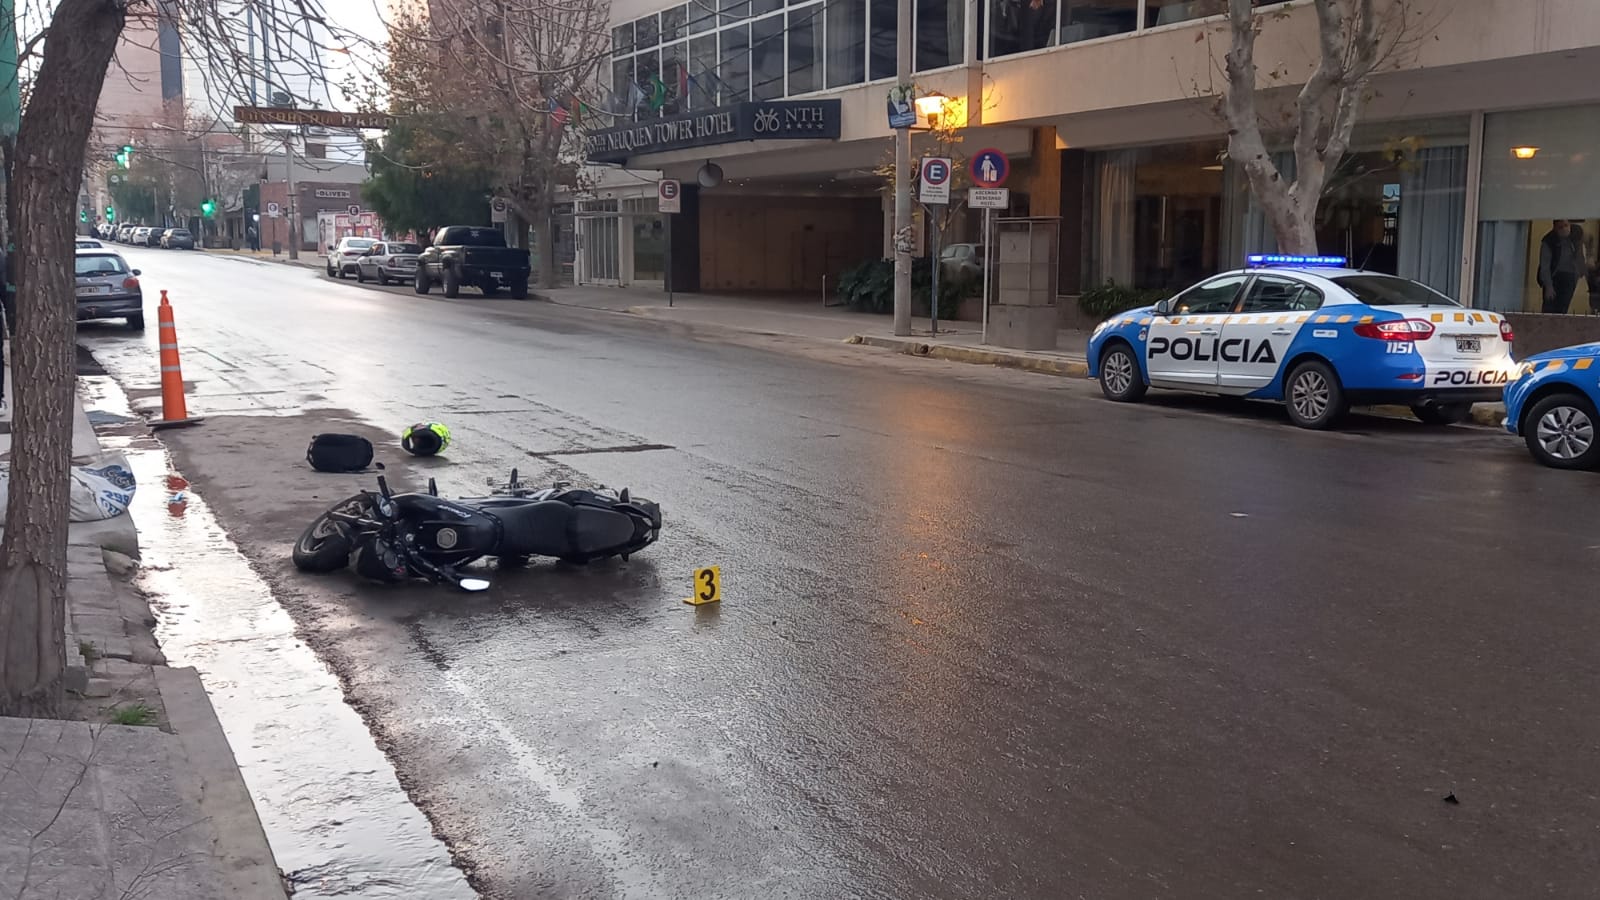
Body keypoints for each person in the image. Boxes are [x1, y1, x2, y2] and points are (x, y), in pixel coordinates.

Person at [1537, 219, 1588, 314]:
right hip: (1554, 276)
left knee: (1563, 307)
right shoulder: (1549, 241)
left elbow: (1584, 247)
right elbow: (1545, 266)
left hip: (1570, 276)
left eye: (1566, 225)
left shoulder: (1576, 233)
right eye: (1560, 227)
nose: (1564, 229)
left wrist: (1582, 269)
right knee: (1549, 308)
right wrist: (1548, 286)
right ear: (1555, 229)